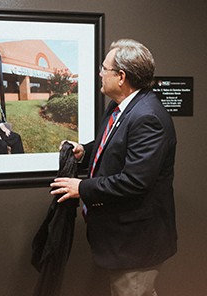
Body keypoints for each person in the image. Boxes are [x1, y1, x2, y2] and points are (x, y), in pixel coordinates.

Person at [50, 39, 177, 296]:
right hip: (120, 239)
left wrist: (82, 188)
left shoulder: (147, 117)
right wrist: (84, 151)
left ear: (121, 77)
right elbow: (112, 145)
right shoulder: (121, 107)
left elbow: (134, 181)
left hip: (136, 243)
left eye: (104, 68)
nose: (99, 72)